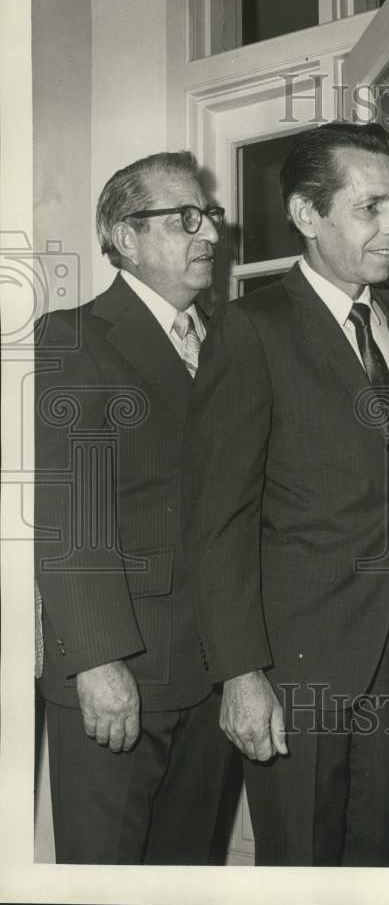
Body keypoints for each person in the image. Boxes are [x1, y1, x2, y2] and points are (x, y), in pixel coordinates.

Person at [182, 122, 389, 866]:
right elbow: (217, 522)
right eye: (370, 207)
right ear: (308, 216)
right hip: (294, 665)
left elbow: (372, 481)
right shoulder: (251, 329)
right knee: (301, 865)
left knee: (378, 861)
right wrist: (241, 675)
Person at [34, 151, 233, 864]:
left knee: (188, 877)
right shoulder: (75, 339)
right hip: (121, 676)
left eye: (208, 215)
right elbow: (69, 515)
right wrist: (96, 661)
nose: (208, 231)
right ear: (123, 236)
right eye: (184, 218)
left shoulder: (231, 347)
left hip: (216, 678)